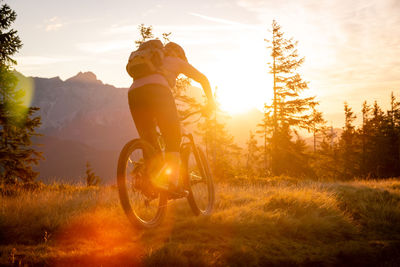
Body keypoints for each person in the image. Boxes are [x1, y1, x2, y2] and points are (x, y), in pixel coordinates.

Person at [127, 41, 215, 195]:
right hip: (158, 91)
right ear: (179, 54)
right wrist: (210, 103)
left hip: (134, 93)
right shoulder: (176, 60)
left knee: (149, 141)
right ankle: (173, 184)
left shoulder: (154, 62)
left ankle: (149, 183)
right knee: (173, 138)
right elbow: (203, 79)